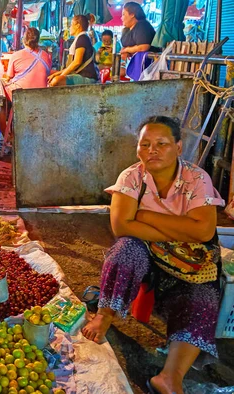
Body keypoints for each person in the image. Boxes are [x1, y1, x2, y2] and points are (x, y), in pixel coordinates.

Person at [82, 116, 224, 394]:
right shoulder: (131, 176)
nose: (152, 150)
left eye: (162, 143)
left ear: (179, 147)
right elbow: (121, 225)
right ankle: (104, 315)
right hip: (145, 250)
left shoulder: (197, 178)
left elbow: (205, 232)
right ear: (137, 149)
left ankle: (170, 377)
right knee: (125, 249)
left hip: (190, 260)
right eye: (145, 144)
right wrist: (181, 230)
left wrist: (144, 215)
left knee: (204, 296)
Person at [48, 15, 98, 86]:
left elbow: (77, 62)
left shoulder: (82, 38)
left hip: (87, 77)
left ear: (77, 25)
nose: (70, 27)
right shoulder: (80, 38)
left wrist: (61, 75)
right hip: (78, 74)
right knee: (51, 74)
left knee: (56, 81)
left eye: (71, 25)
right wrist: (56, 74)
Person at [5, 27, 51, 98]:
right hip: (41, 96)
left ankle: (9, 109)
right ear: (38, 40)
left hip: (20, 97)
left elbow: (8, 77)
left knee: (3, 88)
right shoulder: (46, 56)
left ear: (24, 39)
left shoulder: (16, 55)